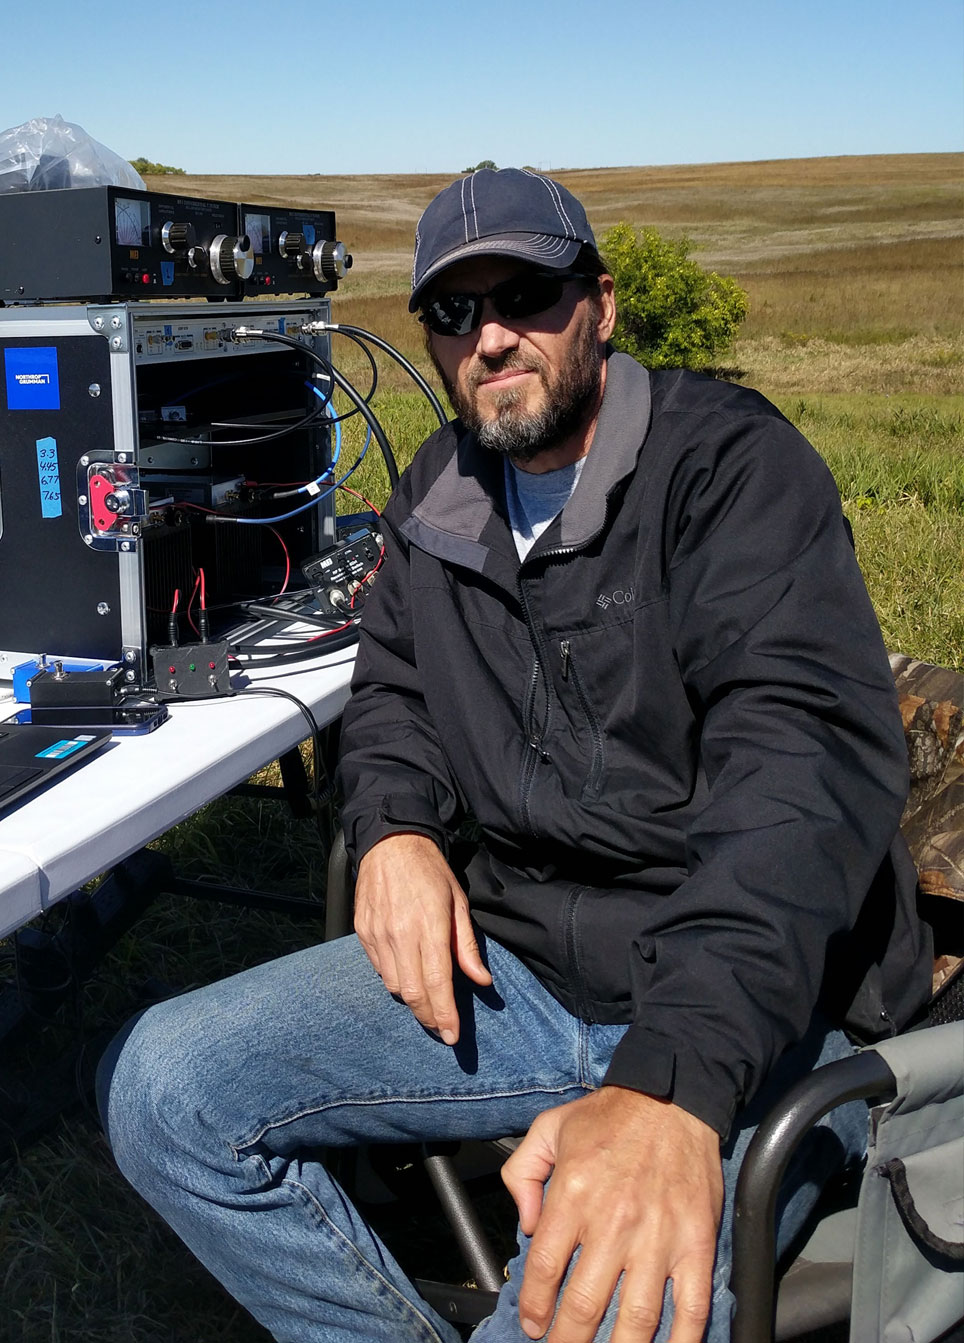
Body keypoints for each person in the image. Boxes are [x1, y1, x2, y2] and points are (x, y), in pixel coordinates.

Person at [97, 168, 932, 1343]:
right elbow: (391, 692)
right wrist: (391, 826)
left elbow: (800, 782)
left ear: (598, 303)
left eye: (527, 295)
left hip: (760, 1011)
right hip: (527, 974)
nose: (491, 336)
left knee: (577, 1303)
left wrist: (669, 1087)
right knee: (161, 1088)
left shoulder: (730, 474)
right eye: (452, 311)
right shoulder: (436, 497)